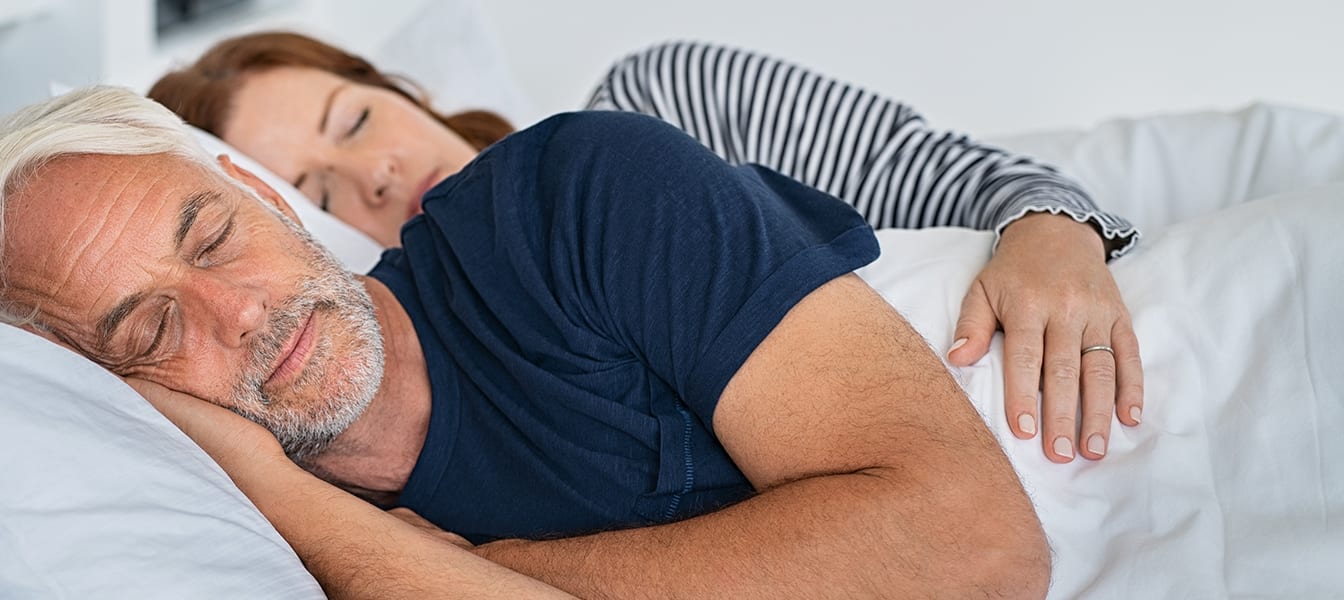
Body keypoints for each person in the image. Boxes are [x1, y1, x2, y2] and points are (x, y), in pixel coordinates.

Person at [0, 86, 1049, 597]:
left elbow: (978, 552)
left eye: (211, 238)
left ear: (259, 191)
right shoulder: (238, 547)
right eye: (154, 328)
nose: (242, 315)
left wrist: (489, 574)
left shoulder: (572, 192)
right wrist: (293, 504)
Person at [149, 32, 1145, 464]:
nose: (368, 174)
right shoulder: (468, 422)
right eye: (316, 194)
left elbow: (963, 176)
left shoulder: (659, 100)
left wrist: (1054, 236)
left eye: (356, 120)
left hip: (1106, 358)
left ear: (404, 94)